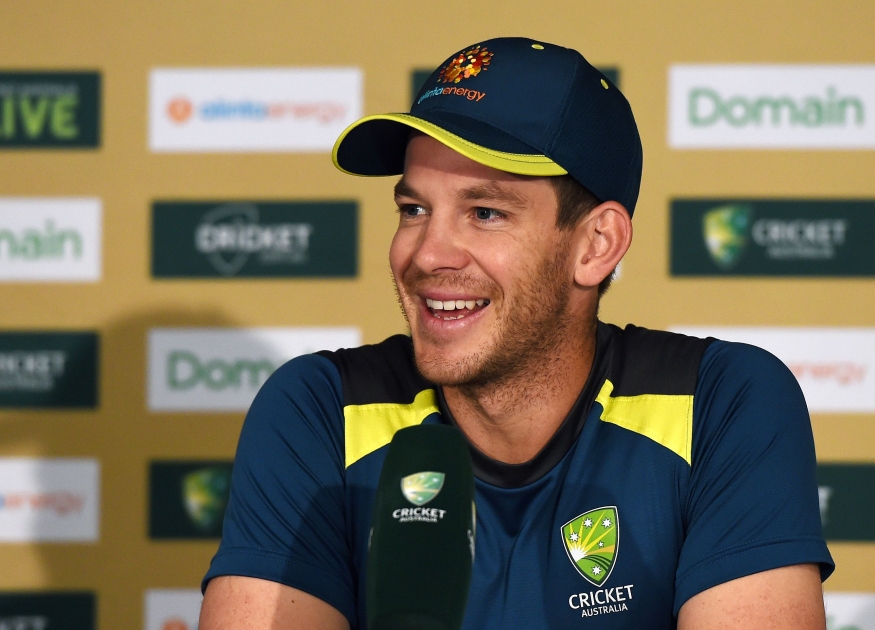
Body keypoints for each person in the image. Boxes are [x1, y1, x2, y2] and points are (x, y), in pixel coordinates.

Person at [199, 37, 834, 629]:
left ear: (596, 244)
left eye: (485, 212)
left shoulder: (720, 402)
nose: (427, 254)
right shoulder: (319, 410)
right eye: (414, 209)